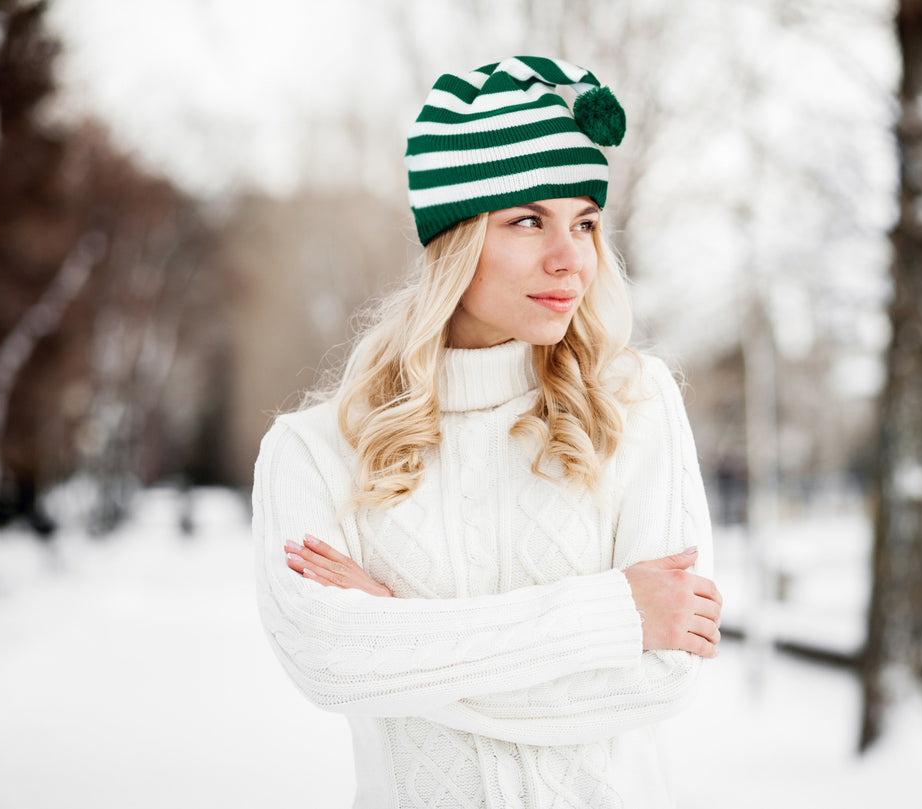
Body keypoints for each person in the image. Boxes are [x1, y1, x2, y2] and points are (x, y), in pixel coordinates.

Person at [252, 56, 722, 809]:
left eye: (587, 222)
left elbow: (665, 672)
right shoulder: (314, 451)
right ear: (456, 238)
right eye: (528, 219)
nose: (572, 258)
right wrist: (613, 613)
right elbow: (330, 662)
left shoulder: (635, 405)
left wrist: (398, 633)